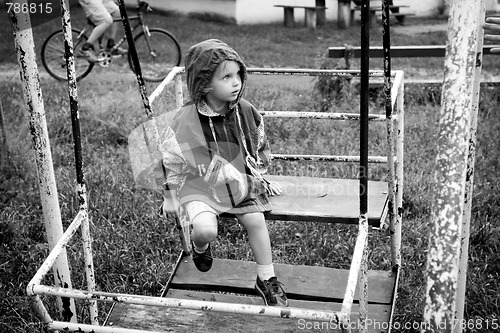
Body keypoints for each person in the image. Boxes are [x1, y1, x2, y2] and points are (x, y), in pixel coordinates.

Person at [159, 39, 289, 307]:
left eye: (238, 74)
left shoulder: (244, 111)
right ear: (205, 83)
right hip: (199, 186)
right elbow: (171, 159)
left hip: (237, 184)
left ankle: (266, 278)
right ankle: (201, 248)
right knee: (206, 230)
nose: (236, 82)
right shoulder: (186, 119)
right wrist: (170, 196)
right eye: (226, 77)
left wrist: (259, 175)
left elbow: (258, 144)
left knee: (255, 219)